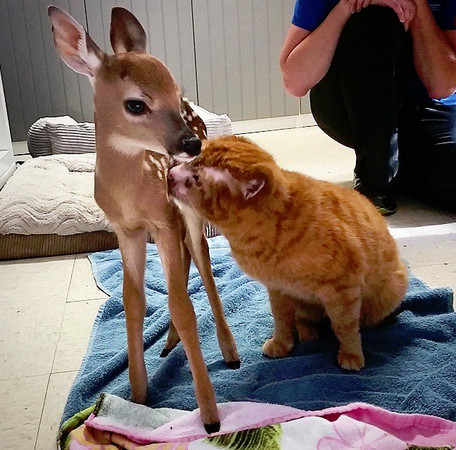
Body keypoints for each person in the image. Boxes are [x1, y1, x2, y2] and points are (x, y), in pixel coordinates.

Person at [280, 0, 456, 215]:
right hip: (349, 106)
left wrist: (417, 5)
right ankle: (374, 177)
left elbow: (443, 86)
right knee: (377, 17)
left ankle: (401, 168)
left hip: (424, 111)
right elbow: (295, 83)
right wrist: (347, 6)